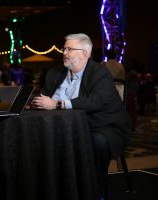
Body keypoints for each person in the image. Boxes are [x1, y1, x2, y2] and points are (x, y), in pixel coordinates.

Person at [31, 33, 131, 200]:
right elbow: (44, 97)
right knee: (35, 136)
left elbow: (95, 101)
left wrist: (57, 104)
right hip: (62, 126)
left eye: (69, 49)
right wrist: (38, 102)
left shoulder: (100, 73)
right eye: (64, 49)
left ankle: (97, 192)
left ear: (85, 53)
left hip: (102, 126)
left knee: (96, 142)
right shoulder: (54, 73)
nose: (64, 52)